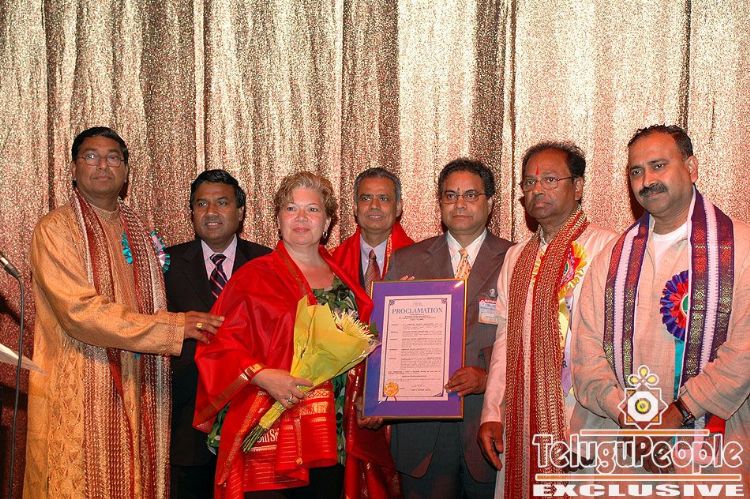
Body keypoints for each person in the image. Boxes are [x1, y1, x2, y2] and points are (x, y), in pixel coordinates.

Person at [24, 126, 222, 499]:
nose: (103, 165)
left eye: (113, 157)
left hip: (140, 388)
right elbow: (80, 312)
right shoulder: (56, 229)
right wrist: (173, 327)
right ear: (73, 169)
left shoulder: (138, 232)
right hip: (82, 386)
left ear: (127, 171)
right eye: (91, 156)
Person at [193, 172, 400, 498]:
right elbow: (216, 345)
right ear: (278, 219)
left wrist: (369, 394)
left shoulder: (345, 280)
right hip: (266, 430)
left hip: (330, 436)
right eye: (291, 208)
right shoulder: (252, 277)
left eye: (312, 209)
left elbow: (363, 352)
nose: (301, 218)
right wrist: (262, 375)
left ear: (328, 221)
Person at [572, 125, 750, 484]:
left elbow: (744, 352)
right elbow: (586, 349)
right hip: (625, 447)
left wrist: (676, 415)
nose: (647, 181)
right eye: (636, 171)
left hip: (714, 447)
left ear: (691, 168)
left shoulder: (740, 249)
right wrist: (629, 418)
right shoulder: (613, 257)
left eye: (658, 166)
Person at [477, 142, 615, 497]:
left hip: (586, 417)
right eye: (529, 182)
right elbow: (505, 339)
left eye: (550, 179)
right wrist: (492, 412)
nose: (537, 189)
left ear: (578, 186)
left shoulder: (608, 249)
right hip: (520, 417)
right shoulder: (515, 257)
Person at [385, 159, 512, 499]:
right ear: (439, 202)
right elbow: (383, 340)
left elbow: (531, 342)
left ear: (490, 202)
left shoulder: (515, 258)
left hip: (487, 423)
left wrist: (488, 379)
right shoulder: (406, 260)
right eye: (450, 195)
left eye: (471, 195)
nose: (460, 204)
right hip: (421, 431)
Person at [165, 169, 271, 498]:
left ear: (240, 212)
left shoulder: (267, 262)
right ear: (192, 212)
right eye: (201, 204)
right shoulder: (166, 263)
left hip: (254, 417)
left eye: (222, 203)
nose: (211, 212)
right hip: (188, 422)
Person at [333, 167, 414, 295]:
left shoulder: (418, 261)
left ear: (398, 207)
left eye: (383, 198)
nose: (374, 206)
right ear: (355, 207)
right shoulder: (333, 262)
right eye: (366, 198)